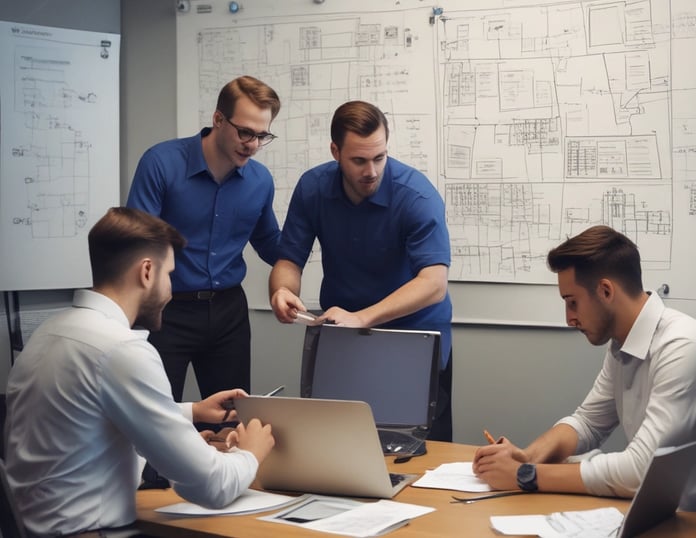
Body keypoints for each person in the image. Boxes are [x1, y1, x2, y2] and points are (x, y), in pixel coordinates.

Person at [4, 207, 275, 536]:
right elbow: (212, 487)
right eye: (169, 275)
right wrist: (250, 452)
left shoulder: (49, 334)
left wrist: (190, 412)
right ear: (147, 272)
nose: (171, 291)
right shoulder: (121, 350)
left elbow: (85, 416)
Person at [473, 225, 696, 518]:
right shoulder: (623, 343)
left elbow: (641, 471)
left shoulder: (685, 349)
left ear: (605, 290)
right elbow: (588, 423)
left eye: (572, 302)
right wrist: (527, 456)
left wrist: (527, 475)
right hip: (671, 517)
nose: (569, 319)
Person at [269, 100, 454, 441]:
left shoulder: (416, 196)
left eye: (379, 157)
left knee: (416, 451)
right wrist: (282, 290)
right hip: (344, 334)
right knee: (335, 441)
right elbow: (289, 260)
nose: (371, 171)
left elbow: (434, 284)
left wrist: (363, 318)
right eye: (359, 160)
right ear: (335, 151)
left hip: (413, 336)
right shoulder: (313, 188)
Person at [126, 75, 281, 401]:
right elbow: (139, 243)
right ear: (218, 120)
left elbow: (270, 243)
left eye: (261, 135)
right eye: (245, 132)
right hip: (166, 312)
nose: (252, 144)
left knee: (231, 419)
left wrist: (320, 236)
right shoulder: (161, 163)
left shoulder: (260, 181)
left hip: (228, 312)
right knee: (157, 420)